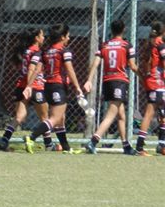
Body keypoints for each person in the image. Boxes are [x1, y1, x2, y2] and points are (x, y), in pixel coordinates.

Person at [24, 23, 85, 154]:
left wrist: (29, 85)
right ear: (62, 37)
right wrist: (77, 87)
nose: (69, 38)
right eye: (67, 36)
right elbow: (69, 69)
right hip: (58, 86)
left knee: (60, 119)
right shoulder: (64, 51)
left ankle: (66, 148)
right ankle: (32, 137)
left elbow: (37, 70)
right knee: (55, 118)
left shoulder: (45, 51)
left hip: (47, 86)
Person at [83, 19, 138, 155]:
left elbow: (95, 64)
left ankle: (126, 146)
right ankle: (93, 141)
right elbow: (132, 65)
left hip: (107, 81)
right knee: (111, 115)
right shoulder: (126, 45)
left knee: (121, 115)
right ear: (124, 29)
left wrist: (89, 80)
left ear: (111, 30)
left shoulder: (104, 45)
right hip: (119, 81)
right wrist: (143, 76)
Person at [0, 27, 48, 151]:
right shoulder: (37, 51)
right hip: (35, 87)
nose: (44, 37)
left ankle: (4, 140)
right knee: (45, 119)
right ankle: (49, 144)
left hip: (21, 86)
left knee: (19, 117)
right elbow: (32, 69)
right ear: (36, 38)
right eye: (42, 35)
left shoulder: (26, 51)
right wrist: (30, 86)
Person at [133, 21, 165, 156]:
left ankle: (162, 145)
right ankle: (140, 146)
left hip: (150, 83)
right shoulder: (160, 45)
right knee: (149, 113)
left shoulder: (148, 45)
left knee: (163, 113)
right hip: (157, 83)